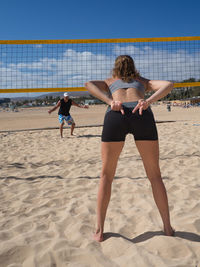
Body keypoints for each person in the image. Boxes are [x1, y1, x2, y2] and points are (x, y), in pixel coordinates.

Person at [85, 55, 174, 242]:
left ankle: (99, 231)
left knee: (106, 175)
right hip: (141, 113)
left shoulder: (110, 81)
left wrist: (109, 101)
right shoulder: (142, 81)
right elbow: (168, 84)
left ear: (114, 67)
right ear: (134, 66)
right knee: (155, 175)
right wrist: (148, 101)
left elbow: (88, 84)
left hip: (117, 113)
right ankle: (167, 227)